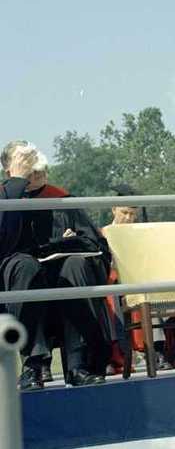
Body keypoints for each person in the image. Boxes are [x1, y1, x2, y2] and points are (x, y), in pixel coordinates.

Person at [0, 141, 111, 390]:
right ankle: (33, 366)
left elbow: (95, 244)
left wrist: (74, 243)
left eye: (33, 156)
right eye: (23, 159)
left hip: (61, 273)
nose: (32, 161)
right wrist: (17, 183)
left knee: (75, 265)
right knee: (24, 267)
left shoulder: (60, 198)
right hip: (21, 278)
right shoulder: (4, 198)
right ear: (9, 170)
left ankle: (77, 365)